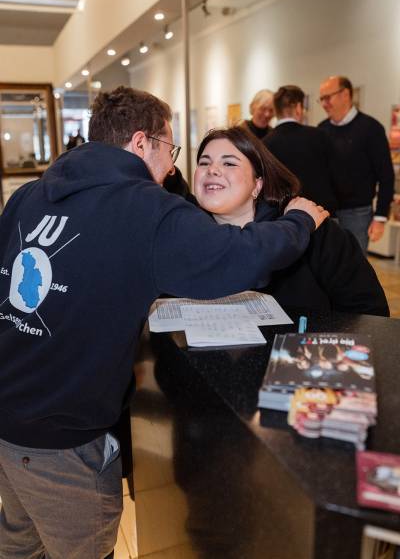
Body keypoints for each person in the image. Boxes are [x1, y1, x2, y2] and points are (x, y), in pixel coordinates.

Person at [0, 86, 327, 559]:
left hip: (9, 414)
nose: (172, 168)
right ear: (140, 142)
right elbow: (240, 258)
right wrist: (298, 222)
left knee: (18, 541)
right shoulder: (144, 208)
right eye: (170, 150)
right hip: (61, 437)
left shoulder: (29, 195)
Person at [194, 125, 389, 316]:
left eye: (229, 163)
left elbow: (369, 311)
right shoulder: (186, 237)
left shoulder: (315, 232)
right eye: (204, 163)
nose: (212, 170)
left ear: (257, 185)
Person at [318, 75, 395, 252]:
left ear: (345, 94)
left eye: (327, 97)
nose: (324, 104)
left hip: (358, 215)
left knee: (353, 266)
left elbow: (386, 175)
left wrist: (380, 217)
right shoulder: (321, 130)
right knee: (327, 265)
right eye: (321, 99)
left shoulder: (371, 128)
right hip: (326, 213)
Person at [264, 85, 347, 215]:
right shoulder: (320, 136)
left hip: (282, 217)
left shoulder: (264, 144)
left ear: (276, 110)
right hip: (321, 214)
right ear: (298, 108)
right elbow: (338, 176)